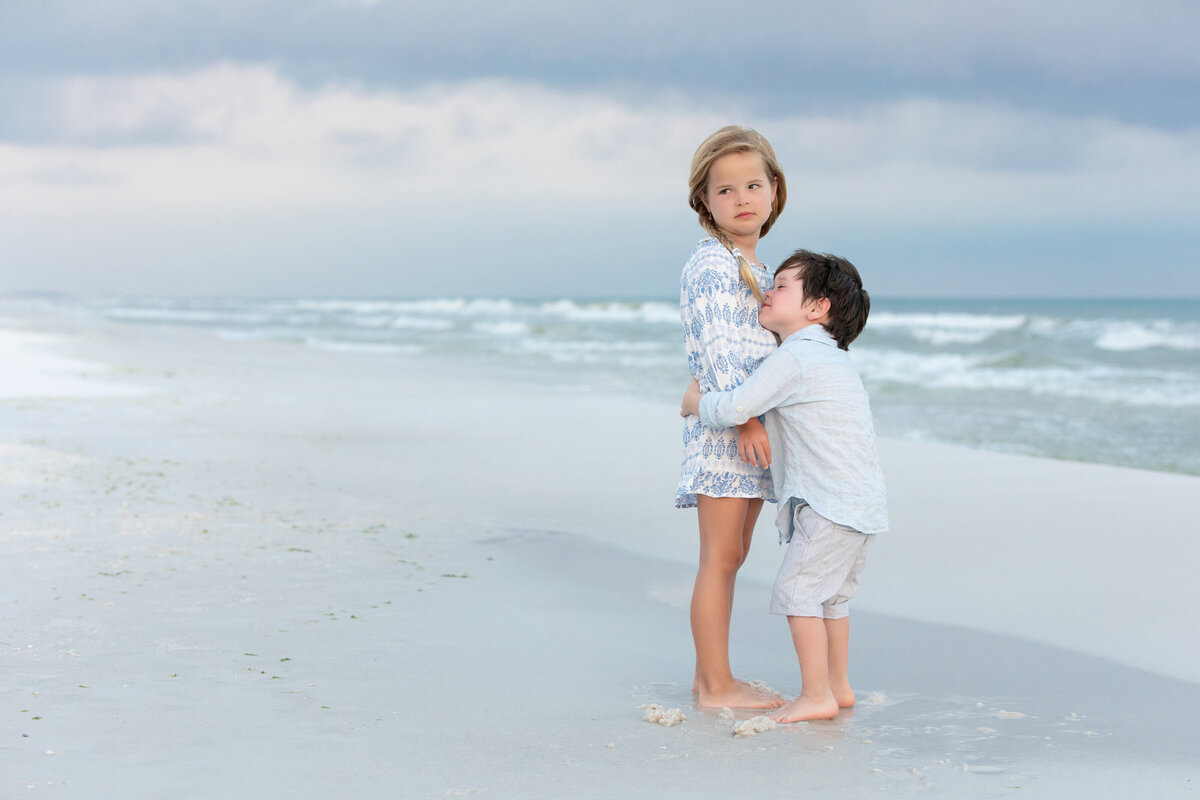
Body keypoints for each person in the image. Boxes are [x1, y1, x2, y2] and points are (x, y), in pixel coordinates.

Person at [680, 250, 888, 723]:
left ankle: (816, 694)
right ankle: (839, 686)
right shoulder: (836, 360)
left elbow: (737, 407)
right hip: (864, 506)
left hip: (827, 504)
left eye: (783, 286)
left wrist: (695, 400)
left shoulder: (794, 356)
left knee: (798, 594)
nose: (769, 292)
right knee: (832, 598)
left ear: (817, 309)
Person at [677, 126, 787, 709]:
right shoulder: (714, 266)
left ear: (774, 192)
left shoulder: (756, 269)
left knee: (732, 557)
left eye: (753, 184)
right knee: (718, 559)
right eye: (726, 190)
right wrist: (744, 421)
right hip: (728, 431)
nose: (742, 198)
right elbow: (720, 354)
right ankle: (717, 687)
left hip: (745, 426)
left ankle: (709, 678)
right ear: (706, 202)